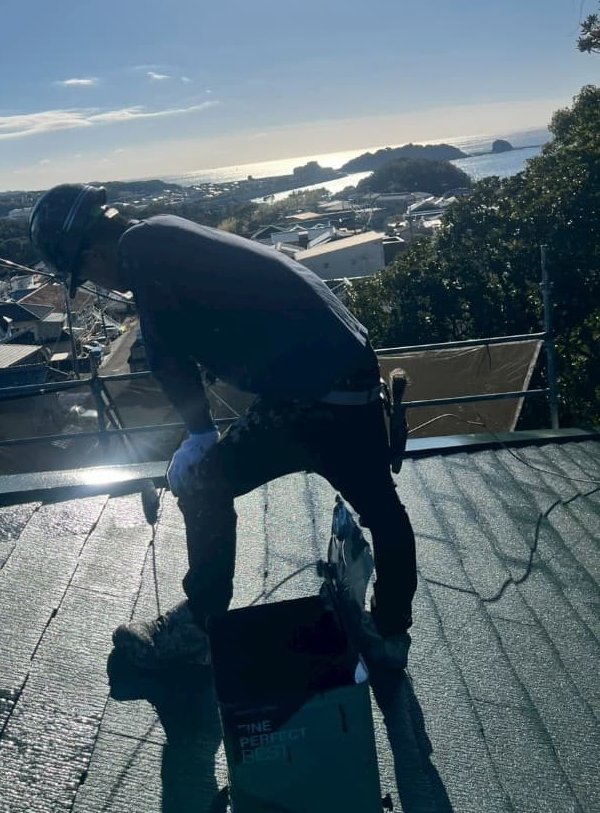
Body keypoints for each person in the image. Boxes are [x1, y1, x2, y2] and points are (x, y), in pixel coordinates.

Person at [29, 183, 417, 670]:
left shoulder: (141, 252)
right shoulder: (162, 234)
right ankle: (390, 634)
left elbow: (167, 356)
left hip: (309, 402)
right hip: (351, 385)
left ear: (94, 251)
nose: (96, 282)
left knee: (204, 481)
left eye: (83, 272)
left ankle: (198, 627)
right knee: (383, 508)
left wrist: (198, 435)